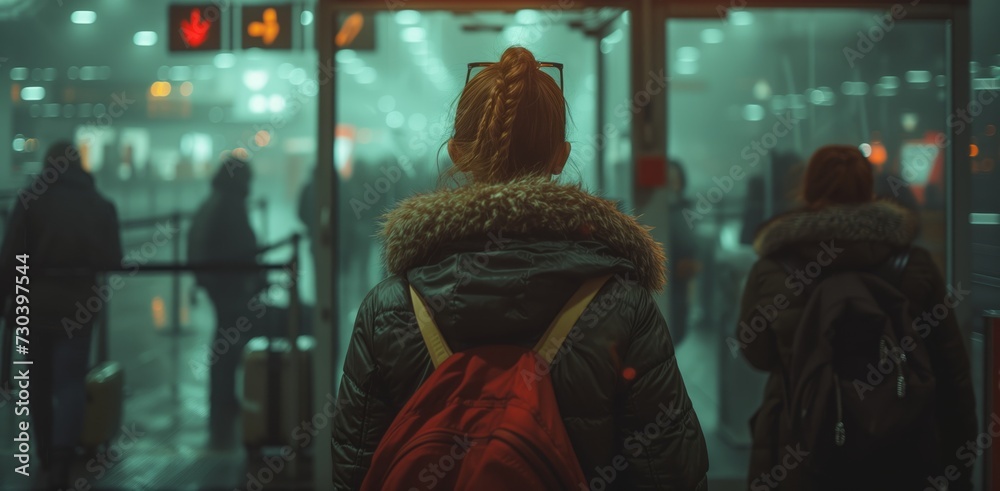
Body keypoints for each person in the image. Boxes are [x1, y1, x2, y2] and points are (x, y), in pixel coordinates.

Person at [331, 46, 709, 489]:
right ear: (561, 156)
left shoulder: (391, 307)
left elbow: (355, 471)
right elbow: (670, 474)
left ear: (456, 152)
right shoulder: (622, 307)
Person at [737, 145, 977, 490]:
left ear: (808, 189)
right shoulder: (915, 266)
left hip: (801, 445)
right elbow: (952, 373)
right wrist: (959, 466)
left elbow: (756, 354)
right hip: (899, 451)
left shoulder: (773, 267)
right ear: (869, 190)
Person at [0, 140, 122, 489]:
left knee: (37, 384)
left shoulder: (30, 200)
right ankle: (63, 459)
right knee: (70, 382)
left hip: (34, 307)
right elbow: (114, 258)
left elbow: (11, 257)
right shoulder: (98, 203)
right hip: (79, 306)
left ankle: (44, 456)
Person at [187, 155, 265, 448]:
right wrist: (254, 277)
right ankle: (222, 398)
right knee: (228, 338)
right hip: (229, 284)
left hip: (217, 282)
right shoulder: (229, 205)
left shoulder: (216, 200)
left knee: (225, 335)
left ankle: (221, 397)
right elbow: (241, 245)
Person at [666, 159, 701, 345]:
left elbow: (691, 245)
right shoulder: (658, 212)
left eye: (675, 181)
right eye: (668, 181)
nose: (672, 186)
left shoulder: (684, 211)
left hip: (679, 285)